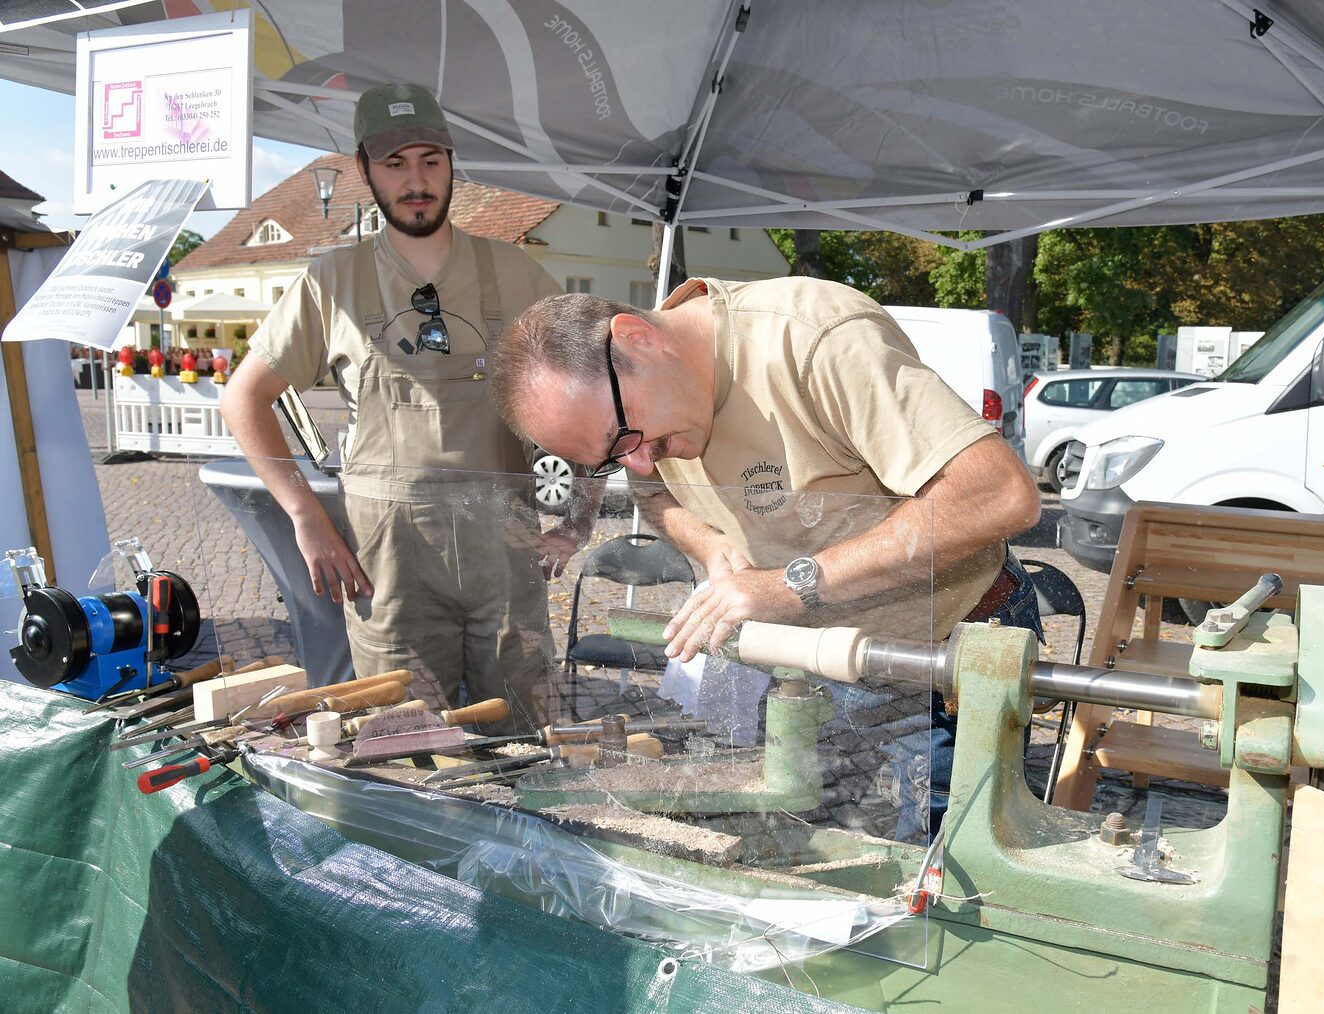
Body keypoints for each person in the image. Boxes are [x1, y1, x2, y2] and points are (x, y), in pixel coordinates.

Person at [488, 277, 1044, 828]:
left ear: (637, 338)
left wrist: (791, 585)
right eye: (610, 459)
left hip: (941, 658)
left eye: (623, 436)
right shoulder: (648, 409)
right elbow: (653, 492)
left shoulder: (814, 338)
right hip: (809, 668)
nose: (635, 461)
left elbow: (998, 495)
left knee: (933, 887)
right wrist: (710, 543)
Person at [222, 83, 570, 735]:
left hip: (505, 552)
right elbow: (243, 398)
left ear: (451, 164)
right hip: (390, 566)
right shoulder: (334, 281)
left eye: (430, 161)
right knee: (401, 738)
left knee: (523, 736)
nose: (416, 181)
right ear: (364, 171)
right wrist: (304, 515)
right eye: (395, 164)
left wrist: (579, 514)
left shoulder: (516, 273)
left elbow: (595, 381)